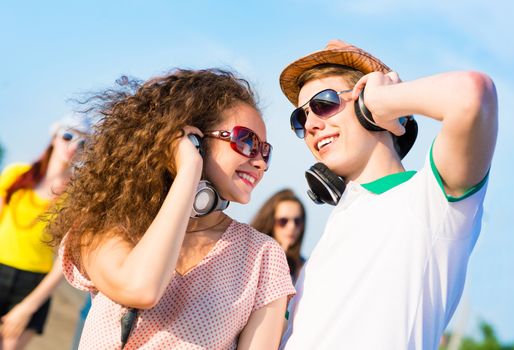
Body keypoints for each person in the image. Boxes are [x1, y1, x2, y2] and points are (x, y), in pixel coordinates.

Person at [49, 68, 296, 349]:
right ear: (194, 140)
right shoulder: (107, 224)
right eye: (247, 142)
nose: (260, 162)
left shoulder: (263, 256)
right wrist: (189, 170)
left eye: (265, 151)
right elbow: (140, 288)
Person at [278, 40, 498, 349]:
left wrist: (386, 98)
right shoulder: (331, 234)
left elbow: (473, 95)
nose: (312, 124)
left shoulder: (429, 201)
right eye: (300, 118)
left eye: (323, 104)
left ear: (369, 107)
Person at [0, 115, 90, 350]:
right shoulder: (16, 175)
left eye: (82, 143)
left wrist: (28, 307)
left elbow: (65, 258)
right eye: (68, 136)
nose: (72, 147)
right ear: (54, 137)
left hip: (34, 286)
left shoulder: (78, 198)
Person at [250, 189, 306, 283]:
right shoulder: (250, 257)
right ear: (270, 222)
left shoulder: (304, 267)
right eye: (283, 221)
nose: (291, 227)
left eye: (297, 221)